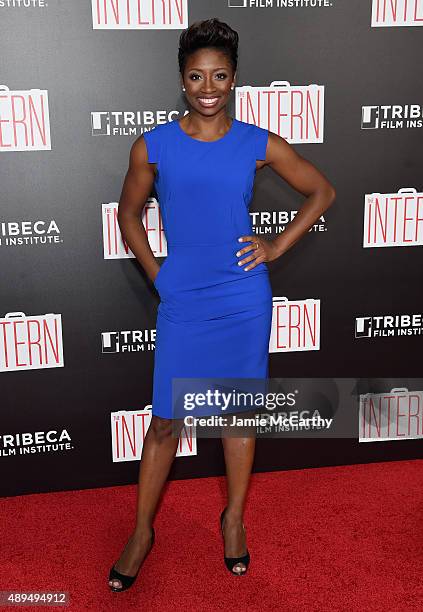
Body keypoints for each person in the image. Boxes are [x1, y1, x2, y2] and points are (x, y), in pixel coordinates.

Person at [108, 17, 335, 591]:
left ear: (234, 79)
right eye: (195, 76)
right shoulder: (152, 147)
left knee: (237, 416)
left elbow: (322, 191)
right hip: (184, 296)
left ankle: (233, 519)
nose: (207, 86)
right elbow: (127, 215)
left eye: (219, 75)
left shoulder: (255, 143)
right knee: (165, 421)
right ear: (181, 80)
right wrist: (160, 274)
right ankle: (142, 532)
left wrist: (277, 244)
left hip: (243, 297)